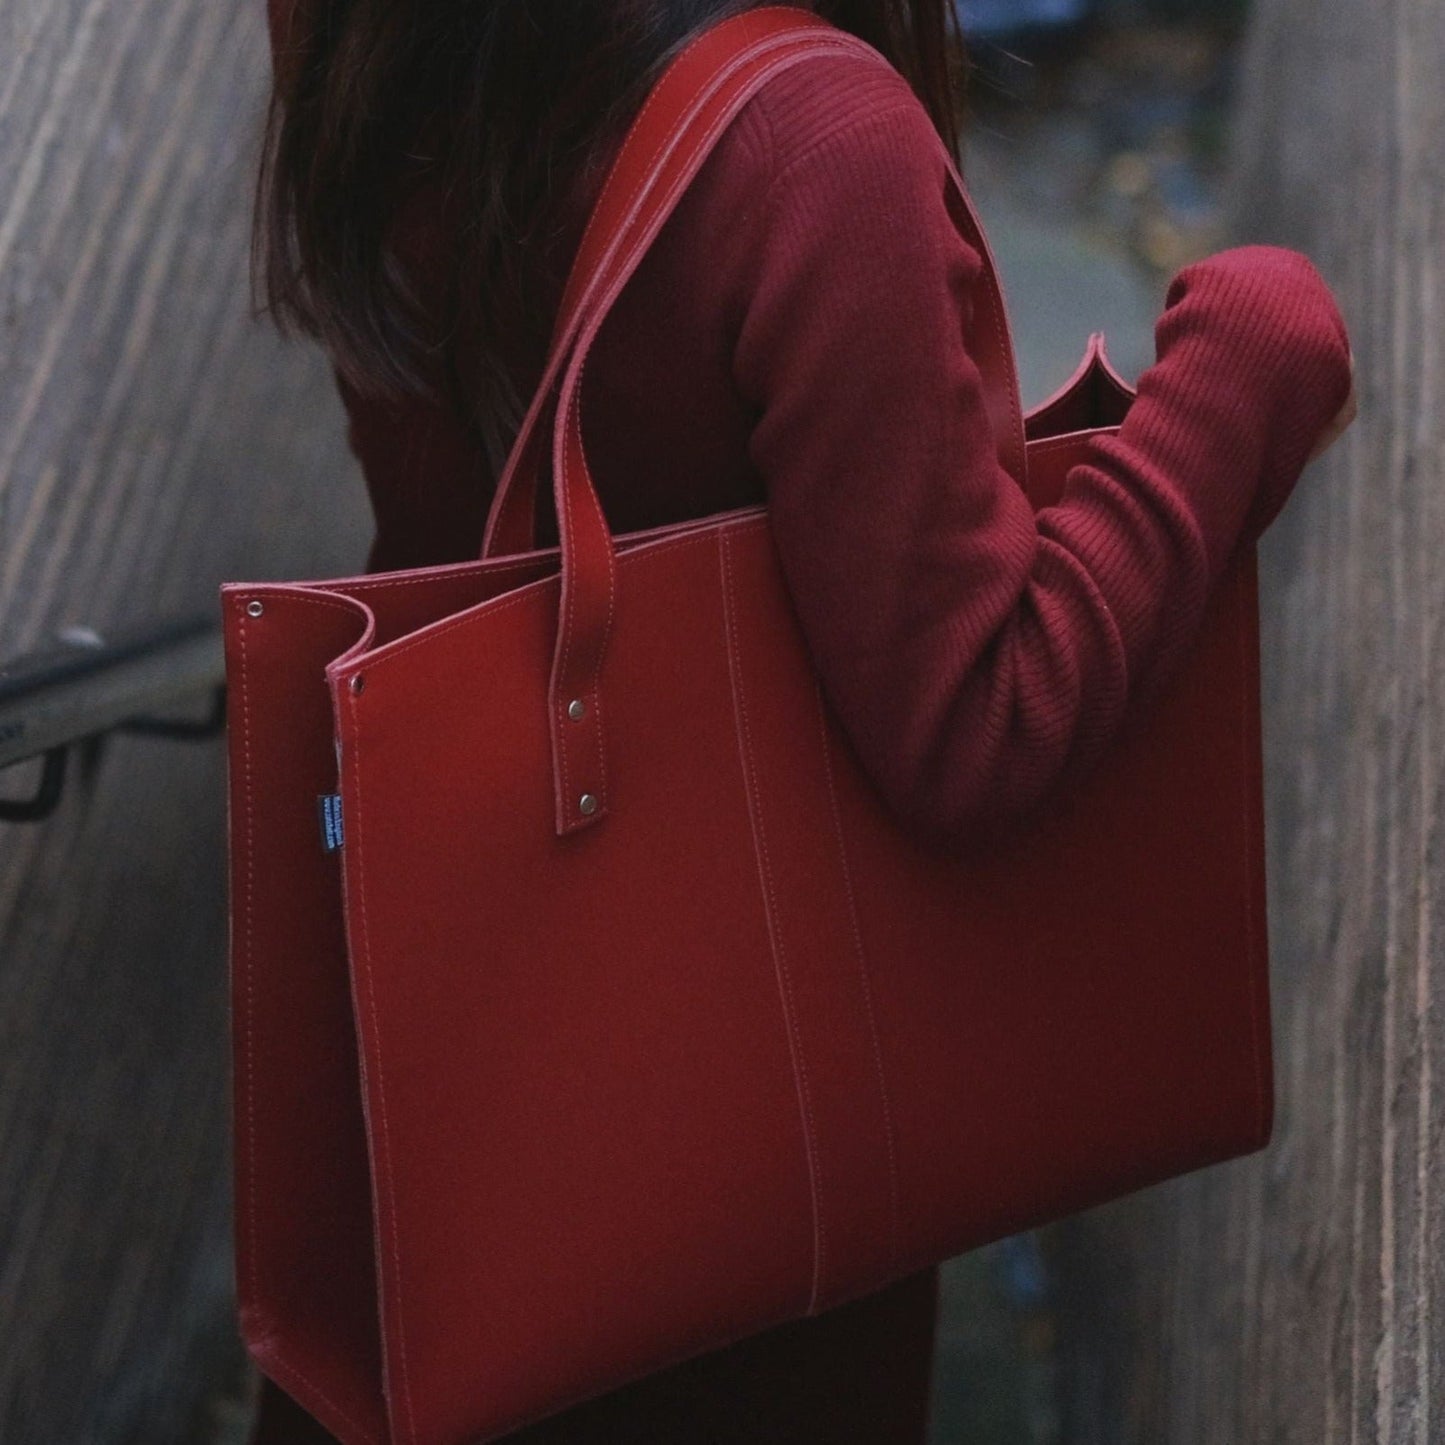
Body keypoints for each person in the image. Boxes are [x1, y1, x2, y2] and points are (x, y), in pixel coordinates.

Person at [247, 0, 1356, 1439]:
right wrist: (1249, 366)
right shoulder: (804, 145)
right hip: (744, 1137)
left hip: (449, 1037)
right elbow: (981, 717)